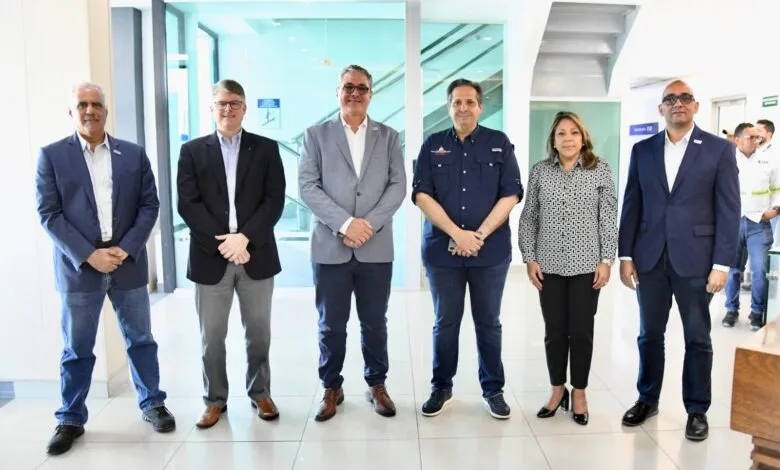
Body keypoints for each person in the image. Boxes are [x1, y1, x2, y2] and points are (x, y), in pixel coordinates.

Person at [36, 82, 175, 455]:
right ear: (71, 112)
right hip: (79, 268)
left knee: (141, 339)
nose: (89, 110)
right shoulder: (52, 156)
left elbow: (150, 205)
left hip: (126, 262)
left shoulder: (132, 154)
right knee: (77, 347)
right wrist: (89, 254)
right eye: (82, 104)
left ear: (106, 110)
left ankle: (152, 403)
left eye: (96, 104)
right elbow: (49, 214)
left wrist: (126, 248)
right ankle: (70, 417)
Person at [618, 80, 740, 442]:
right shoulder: (643, 150)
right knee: (649, 335)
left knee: (698, 338)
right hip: (650, 259)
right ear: (661, 109)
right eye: (670, 99)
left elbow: (729, 210)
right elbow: (632, 204)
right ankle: (647, 399)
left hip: (697, 262)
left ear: (696, 106)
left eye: (685, 98)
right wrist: (626, 255)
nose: (678, 103)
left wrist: (722, 264)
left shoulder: (719, 150)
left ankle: (697, 409)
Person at [299, 65, 406, 422]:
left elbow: (398, 186)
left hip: (375, 246)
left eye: (362, 88)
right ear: (338, 92)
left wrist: (367, 225)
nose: (355, 93)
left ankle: (377, 383)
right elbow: (308, 187)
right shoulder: (316, 135)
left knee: (375, 322)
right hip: (330, 247)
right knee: (331, 324)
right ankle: (331, 386)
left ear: (371, 94)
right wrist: (345, 224)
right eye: (348, 87)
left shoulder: (388, 137)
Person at [177, 79, 286, 428]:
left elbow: (274, 200)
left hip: (256, 255)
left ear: (245, 108)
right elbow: (188, 204)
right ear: (212, 108)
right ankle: (214, 400)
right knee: (211, 337)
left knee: (259, 334)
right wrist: (225, 242)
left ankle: (260, 393)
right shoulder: (192, 151)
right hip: (211, 256)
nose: (228, 109)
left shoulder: (266, 149)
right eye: (222, 103)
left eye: (234, 103)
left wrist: (245, 239)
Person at [411, 78, 523, 419]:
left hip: (490, 253)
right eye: (457, 102)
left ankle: (493, 390)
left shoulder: (498, 143)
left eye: (469, 102)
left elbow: (511, 194)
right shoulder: (433, 144)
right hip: (442, 252)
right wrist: (457, 234)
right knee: (445, 322)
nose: (463, 108)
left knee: (488, 322)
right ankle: (441, 387)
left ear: (480, 107)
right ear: (449, 107)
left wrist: (479, 235)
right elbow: (421, 195)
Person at [518, 111, 617, 426]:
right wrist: (529, 258)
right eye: (561, 133)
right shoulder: (540, 171)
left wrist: (606, 260)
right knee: (555, 331)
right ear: (553, 140)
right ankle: (557, 390)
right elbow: (529, 216)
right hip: (548, 265)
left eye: (574, 132)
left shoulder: (600, 169)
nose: (568, 139)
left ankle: (580, 393)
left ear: (583, 137)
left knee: (582, 331)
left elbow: (608, 217)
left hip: (587, 265)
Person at [723, 122, 780, 331]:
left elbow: (777, 188)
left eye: (758, 137)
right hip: (733, 223)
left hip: (759, 224)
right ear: (738, 140)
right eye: (751, 137)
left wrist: (776, 209)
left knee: (760, 270)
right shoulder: (726, 160)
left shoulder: (769, 160)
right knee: (732, 270)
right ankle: (731, 309)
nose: (756, 141)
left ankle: (757, 312)